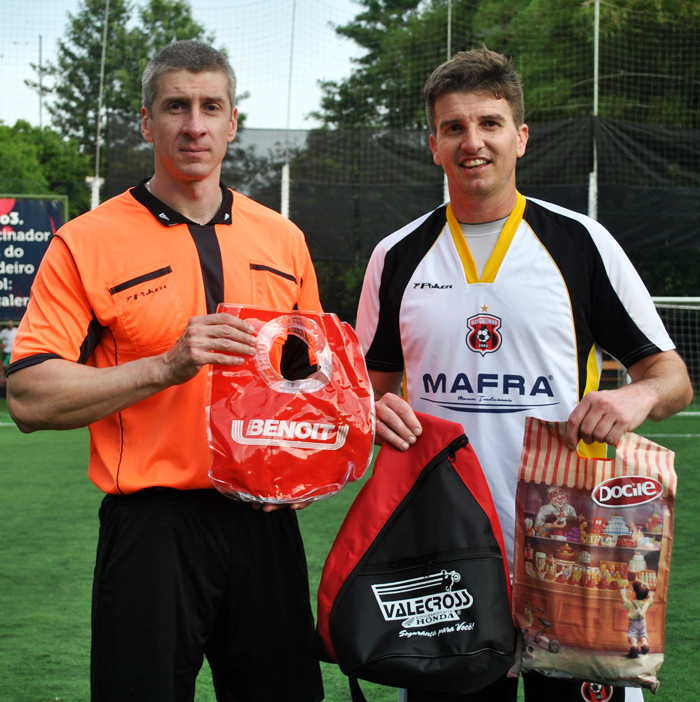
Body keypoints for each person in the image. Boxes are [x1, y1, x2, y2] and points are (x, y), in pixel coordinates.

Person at [355, 47, 693, 702]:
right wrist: (370, 413)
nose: (472, 141)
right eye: (453, 127)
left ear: (521, 136)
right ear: (433, 145)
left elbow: (671, 373)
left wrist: (638, 398)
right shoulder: (394, 256)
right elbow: (370, 391)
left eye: (489, 122)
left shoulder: (580, 243)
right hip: (446, 553)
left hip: (572, 547)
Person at [7, 41, 324, 702]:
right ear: (146, 123)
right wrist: (166, 365)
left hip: (264, 524)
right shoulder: (86, 242)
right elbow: (29, 397)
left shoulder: (282, 239)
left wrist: (306, 462)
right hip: (153, 526)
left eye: (211, 107)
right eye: (176, 106)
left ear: (233, 122)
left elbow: (310, 387)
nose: (194, 125)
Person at [621, 581, 654, 659]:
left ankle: (634, 646)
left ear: (634, 594)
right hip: (642, 622)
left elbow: (623, 601)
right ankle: (645, 644)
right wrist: (650, 596)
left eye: (632, 590)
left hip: (633, 623)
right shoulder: (645, 604)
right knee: (643, 634)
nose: (631, 591)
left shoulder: (630, 604)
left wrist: (623, 594)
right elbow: (651, 600)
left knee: (633, 635)